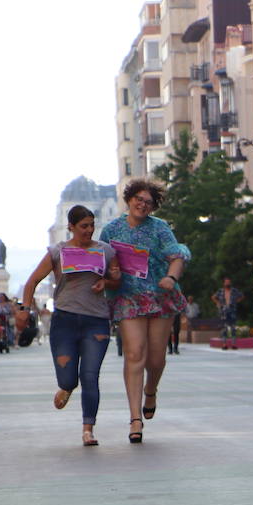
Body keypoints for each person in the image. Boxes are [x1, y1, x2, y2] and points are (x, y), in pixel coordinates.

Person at [16, 205, 121, 446]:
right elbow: (32, 281)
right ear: (71, 227)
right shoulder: (57, 252)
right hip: (65, 320)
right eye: (83, 226)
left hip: (96, 321)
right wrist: (24, 309)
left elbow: (117, 278)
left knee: (90, 375)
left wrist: (106, 281)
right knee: (69, 378)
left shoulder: (106, 251)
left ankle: (88, 429)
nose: (89, 231)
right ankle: (65, 387)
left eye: (92, 225)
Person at [100, 179, 189, 444]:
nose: (143, 205)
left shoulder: (159, 228)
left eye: (149, 202)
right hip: (127, 298)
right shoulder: (111, 230)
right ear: (129, 199)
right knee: (134, 353)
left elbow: (177, 255)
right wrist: (109, 275)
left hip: (160, 297)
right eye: (139, 199)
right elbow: (101, 261)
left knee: (156, 359)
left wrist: (171, 279)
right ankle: (135, 418)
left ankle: (152, 389)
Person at [212, 277, 241, 350]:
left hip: (232, 310)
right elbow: (213, 297)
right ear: (224, 283)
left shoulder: (234, 290)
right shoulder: (221, 291)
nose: (228, 283)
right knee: (224, 328)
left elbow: (241, 296)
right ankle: (224, 344)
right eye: (226, 282)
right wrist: (218, 303)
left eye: (229, 282)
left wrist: (235, 302)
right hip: (223, 311)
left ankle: (233, 344)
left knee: (233, 327)